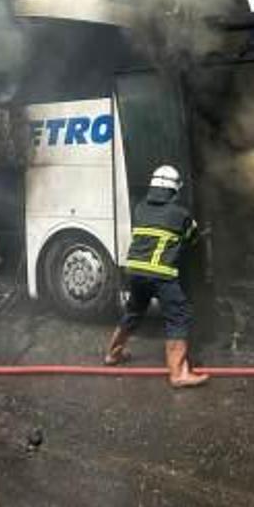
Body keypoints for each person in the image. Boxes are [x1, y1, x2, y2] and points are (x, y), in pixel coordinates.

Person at [103, 164, 209, 388]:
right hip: (161, 274)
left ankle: (113, 354)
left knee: (134, 312)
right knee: (178, 316)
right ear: (173, 191)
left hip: (135, 271)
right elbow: (193, 240)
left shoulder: (140, 208)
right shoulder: (180, 214)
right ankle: (178, 374)